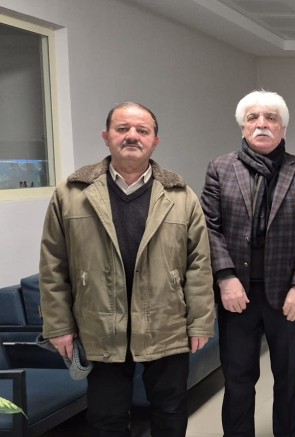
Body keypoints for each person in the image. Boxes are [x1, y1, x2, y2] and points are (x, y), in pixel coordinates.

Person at [39, 102, 214, 436]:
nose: (132, 136)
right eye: (122, 129)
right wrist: (58, 325)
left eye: (142, 131)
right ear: (106, 137)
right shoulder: (72, 193)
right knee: (106, 418)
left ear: (155, 141)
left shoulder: (180, 195)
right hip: (100, 325)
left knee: (170, 412)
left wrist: (201, 323)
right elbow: (53, 264)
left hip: (166, 324)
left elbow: (199, 265)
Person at [201, 90, 295, 437]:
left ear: (283, 128)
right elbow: (209, 228)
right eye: (253, 118)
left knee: (289, 378)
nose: (262, 124)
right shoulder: (220, 169)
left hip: (288, 295)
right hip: (237, 295)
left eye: (271, 118)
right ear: (243, 127)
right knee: (238, 378)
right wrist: (225, 277)